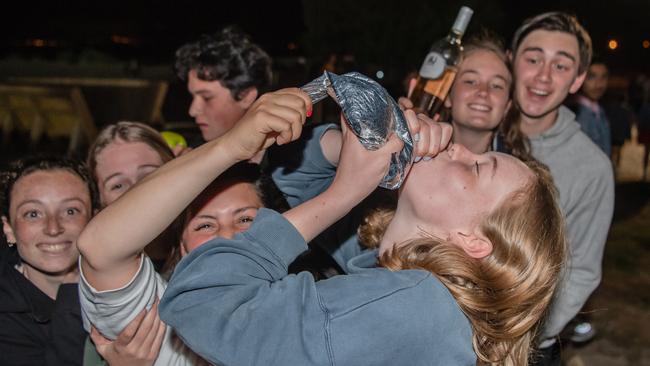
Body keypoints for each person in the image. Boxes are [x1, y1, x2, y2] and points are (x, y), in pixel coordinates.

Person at [84, 87, 567, 365]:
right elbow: (289, 185)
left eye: (478, 167)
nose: (459, 147)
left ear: (472, 241)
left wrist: (344, 193)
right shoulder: (411, 290)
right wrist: (351, 148)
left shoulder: (413, 307)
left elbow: (201, 303)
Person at [77, 153, 289, 365]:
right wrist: (231, 145)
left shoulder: (311, 309)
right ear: (183, 247)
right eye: (205, 225)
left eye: (245, 219)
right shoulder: (162, 325)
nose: (227, 236)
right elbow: (100, 247)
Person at [503, 12, 615, 364]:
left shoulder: (592, 167)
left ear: (578, 78)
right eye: (533, 58)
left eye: (561, 66)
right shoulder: (477, 131)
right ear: (511, 61)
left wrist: (530, 332)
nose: (543, 76)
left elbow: (581, 270)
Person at [0, 155, 97, 366]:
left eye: (70, 211)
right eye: (33, 214)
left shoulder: (124, 286)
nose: (53, 228)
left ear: (94, 219)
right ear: (9, 229)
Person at [87, 121, 177, 273]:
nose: (136, 191)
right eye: (118, 185)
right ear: (100, 202)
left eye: (148, 175)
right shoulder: (97, 274)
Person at [174, 26, 272, 147]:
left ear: (246, 96)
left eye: (207, 98)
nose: (193, 111)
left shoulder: (286, 157)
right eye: (192, 97)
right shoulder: (191, 154)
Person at [568, 58, 612, 156]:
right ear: (580, 79)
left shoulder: (599, 111)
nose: (599, 84)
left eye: (603, 77)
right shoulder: (575, 114)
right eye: (592, 77)